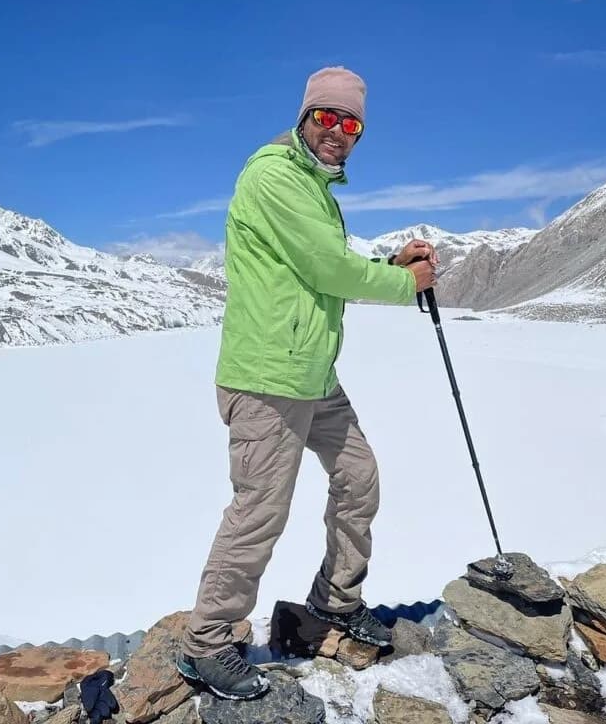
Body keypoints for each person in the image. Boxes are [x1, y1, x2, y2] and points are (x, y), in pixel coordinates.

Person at [176, 66, 437, 700]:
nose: (338, 132)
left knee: (358, 476)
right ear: (304, 117)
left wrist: (386, 265)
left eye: (351, 125)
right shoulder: (273, 176)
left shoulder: (314, 188)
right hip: (268, 378)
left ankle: (335, 602)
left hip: (312, 374)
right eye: (327, 117)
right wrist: (407, 284)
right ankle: (206, 643)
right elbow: (326, 267)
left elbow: (321, 266)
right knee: (259, 512)